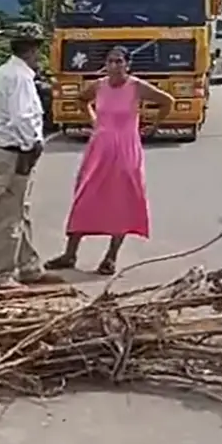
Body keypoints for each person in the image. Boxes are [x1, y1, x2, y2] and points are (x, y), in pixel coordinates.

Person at [43, 46, 173, 274]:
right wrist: (94, 121)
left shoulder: (136, 86)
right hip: (99, 148)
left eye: (119, 61)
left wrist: (153, 125)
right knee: (85, 196)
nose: (114, 66)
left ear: (127, 64)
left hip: (126, 149)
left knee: (122, 200)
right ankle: (70, 253)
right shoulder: (99, 86)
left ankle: (111, 257)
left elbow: (167, 101)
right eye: (111, 61)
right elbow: (82, 100)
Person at [0, 22, 65, 289]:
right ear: (33, 49)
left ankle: (28, 266)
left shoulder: (7, 72)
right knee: (9, 214)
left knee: (20, 210)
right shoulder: (19, 77)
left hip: (8, 149)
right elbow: (22, 117)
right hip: (15, 151)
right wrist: (33, 145)